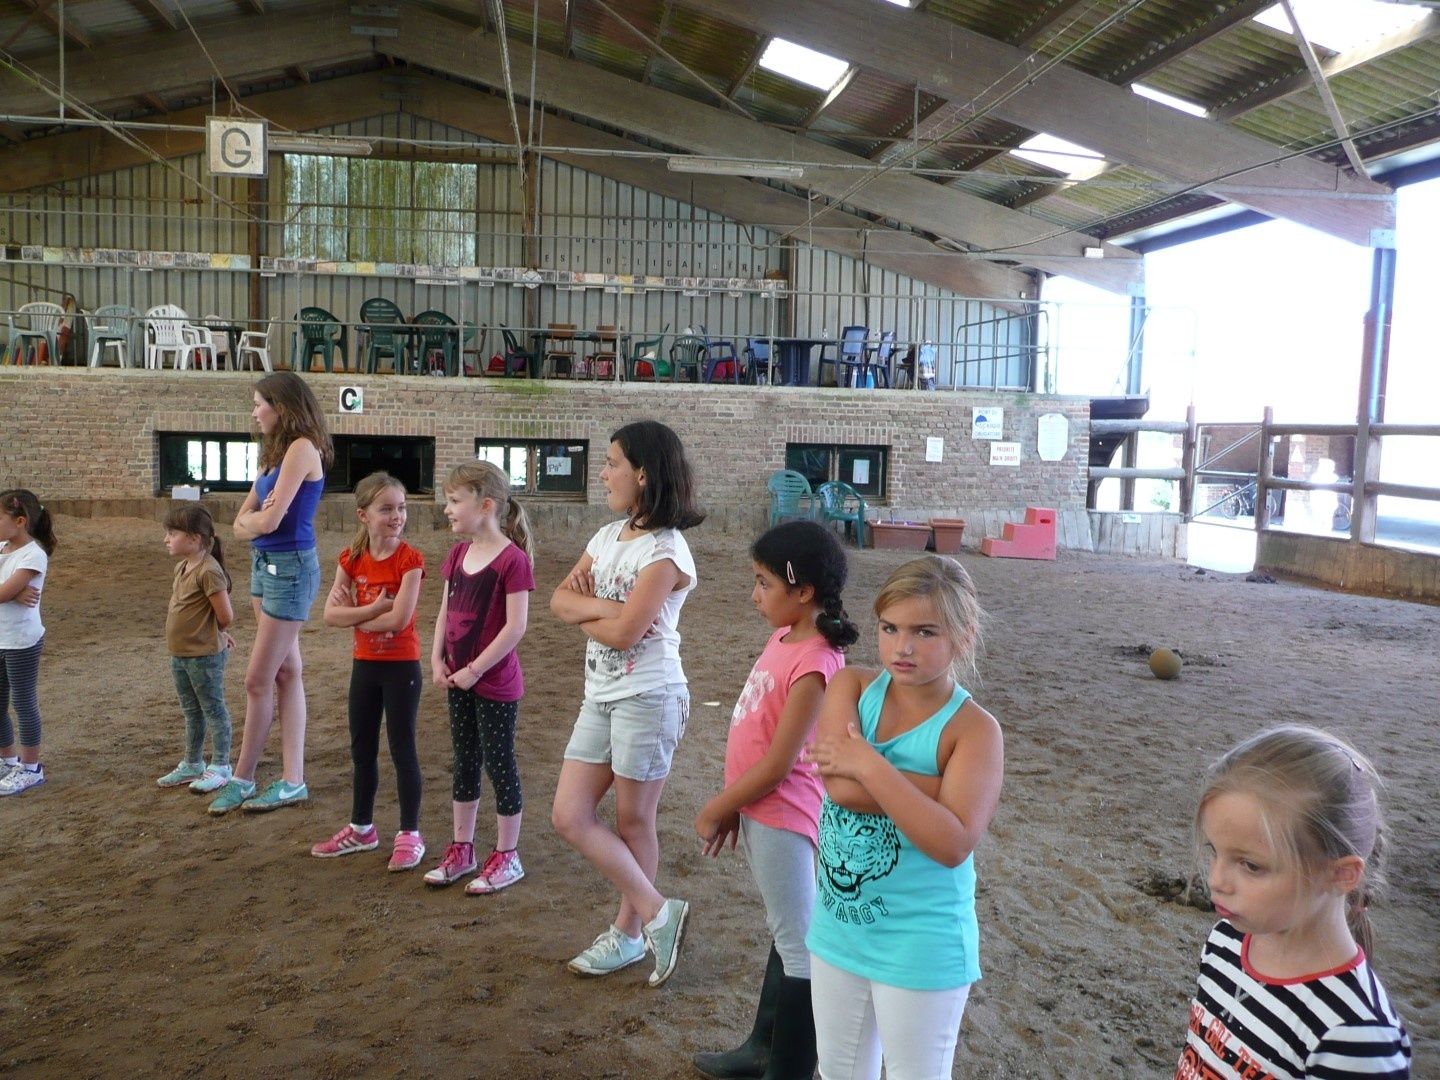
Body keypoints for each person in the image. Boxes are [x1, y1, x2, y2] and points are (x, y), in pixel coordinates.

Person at [804, 555, 1003, 1080]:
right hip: (839, 926)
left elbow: (952, 842)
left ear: (963, 636)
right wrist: (938, 792)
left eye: (924, 632)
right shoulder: (850, 686)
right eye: (889, 628)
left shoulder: (975, 731)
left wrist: (869, 762)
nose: (902, 647)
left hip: (922, 941)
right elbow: (839, 788)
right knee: (838, 1072)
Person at [693, 521, 858, 1080]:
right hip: (761, 807)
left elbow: (779, 763)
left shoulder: (815, 661)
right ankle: (762, 1049)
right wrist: (737, 803)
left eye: (764, 583)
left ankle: (788, 1068)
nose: (754, 595)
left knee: (799, 944)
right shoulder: (785, 637)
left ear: (803, 590)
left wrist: (721, 805)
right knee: (788, 927)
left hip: (782, 813)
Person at [550, 420, 703, 988]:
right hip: (600, 697)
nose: (603, 473)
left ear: (643, 473)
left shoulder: (667, 551)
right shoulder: (606, 537)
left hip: (649, 696)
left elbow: (626, 634)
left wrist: (594, 612)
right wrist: (609, 613)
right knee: (569, 815)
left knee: (634, 818)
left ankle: (629, 933)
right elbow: (557, 601)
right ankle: (660, 911)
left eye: (612, 462)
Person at [1177, 725, 1412, 1079]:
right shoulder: (1226, 939)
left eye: (1250, 865)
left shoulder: (1355, 1037)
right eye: (1215, 852)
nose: (1216, 880)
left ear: (1341, 875)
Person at [210, 371, 332, 815]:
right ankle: (292, 780)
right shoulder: (274, 454)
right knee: (286, 673)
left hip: (290, 570)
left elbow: (268, 521)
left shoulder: (301, 449)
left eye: (259, 403)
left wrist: (255, 522)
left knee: (257, 679)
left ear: (281, 406)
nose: (254, 412)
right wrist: (254, 522)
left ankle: (242, 778)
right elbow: (241, 521)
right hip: (266, 567)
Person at [422, 461, 535, 894]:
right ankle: (462, 849)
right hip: (457, 681)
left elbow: (515, 627)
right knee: (465, 760)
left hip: (494, 684)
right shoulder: (457, 555)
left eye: (454, 501)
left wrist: (475, 669)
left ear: (485, 505)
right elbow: (444, 612)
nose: (447, 508)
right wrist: (437, 659)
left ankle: (507, 854)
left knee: (499, 762)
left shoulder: (513, 561)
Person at [311, 473, 428, 871]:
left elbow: (399, 620)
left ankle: (410, 834)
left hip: (401, 667)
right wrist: (374, 609)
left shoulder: (410, 561)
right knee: (361, 750)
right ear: (363, 515)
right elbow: (329, 615)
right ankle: (362, 828)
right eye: (386, 509)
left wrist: (356, 615)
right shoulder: (351, 558)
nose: (397, 516)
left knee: (402, 748)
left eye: (402, 508)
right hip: (365, 666)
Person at [156, 504, 236, 794]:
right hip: (180, 655)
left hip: (203, 657)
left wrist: (217, 635)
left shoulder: (209, 572)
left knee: (213, 709)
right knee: (192, 711)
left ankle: (221, 765)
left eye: (172, 533)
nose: (166, 539)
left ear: (194, 538)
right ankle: (193, 763)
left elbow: (225, 616)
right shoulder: (182, 567)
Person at [0, 489, 56, 797]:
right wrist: (12, 593)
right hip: (1, 636)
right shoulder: (2, 547)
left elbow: (3, 593)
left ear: (20, 521)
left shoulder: (33, 554)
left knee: (22, 703)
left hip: (21, 640)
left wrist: (9, 593)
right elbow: (6, 592)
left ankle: (31, 767)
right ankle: (7, 760)